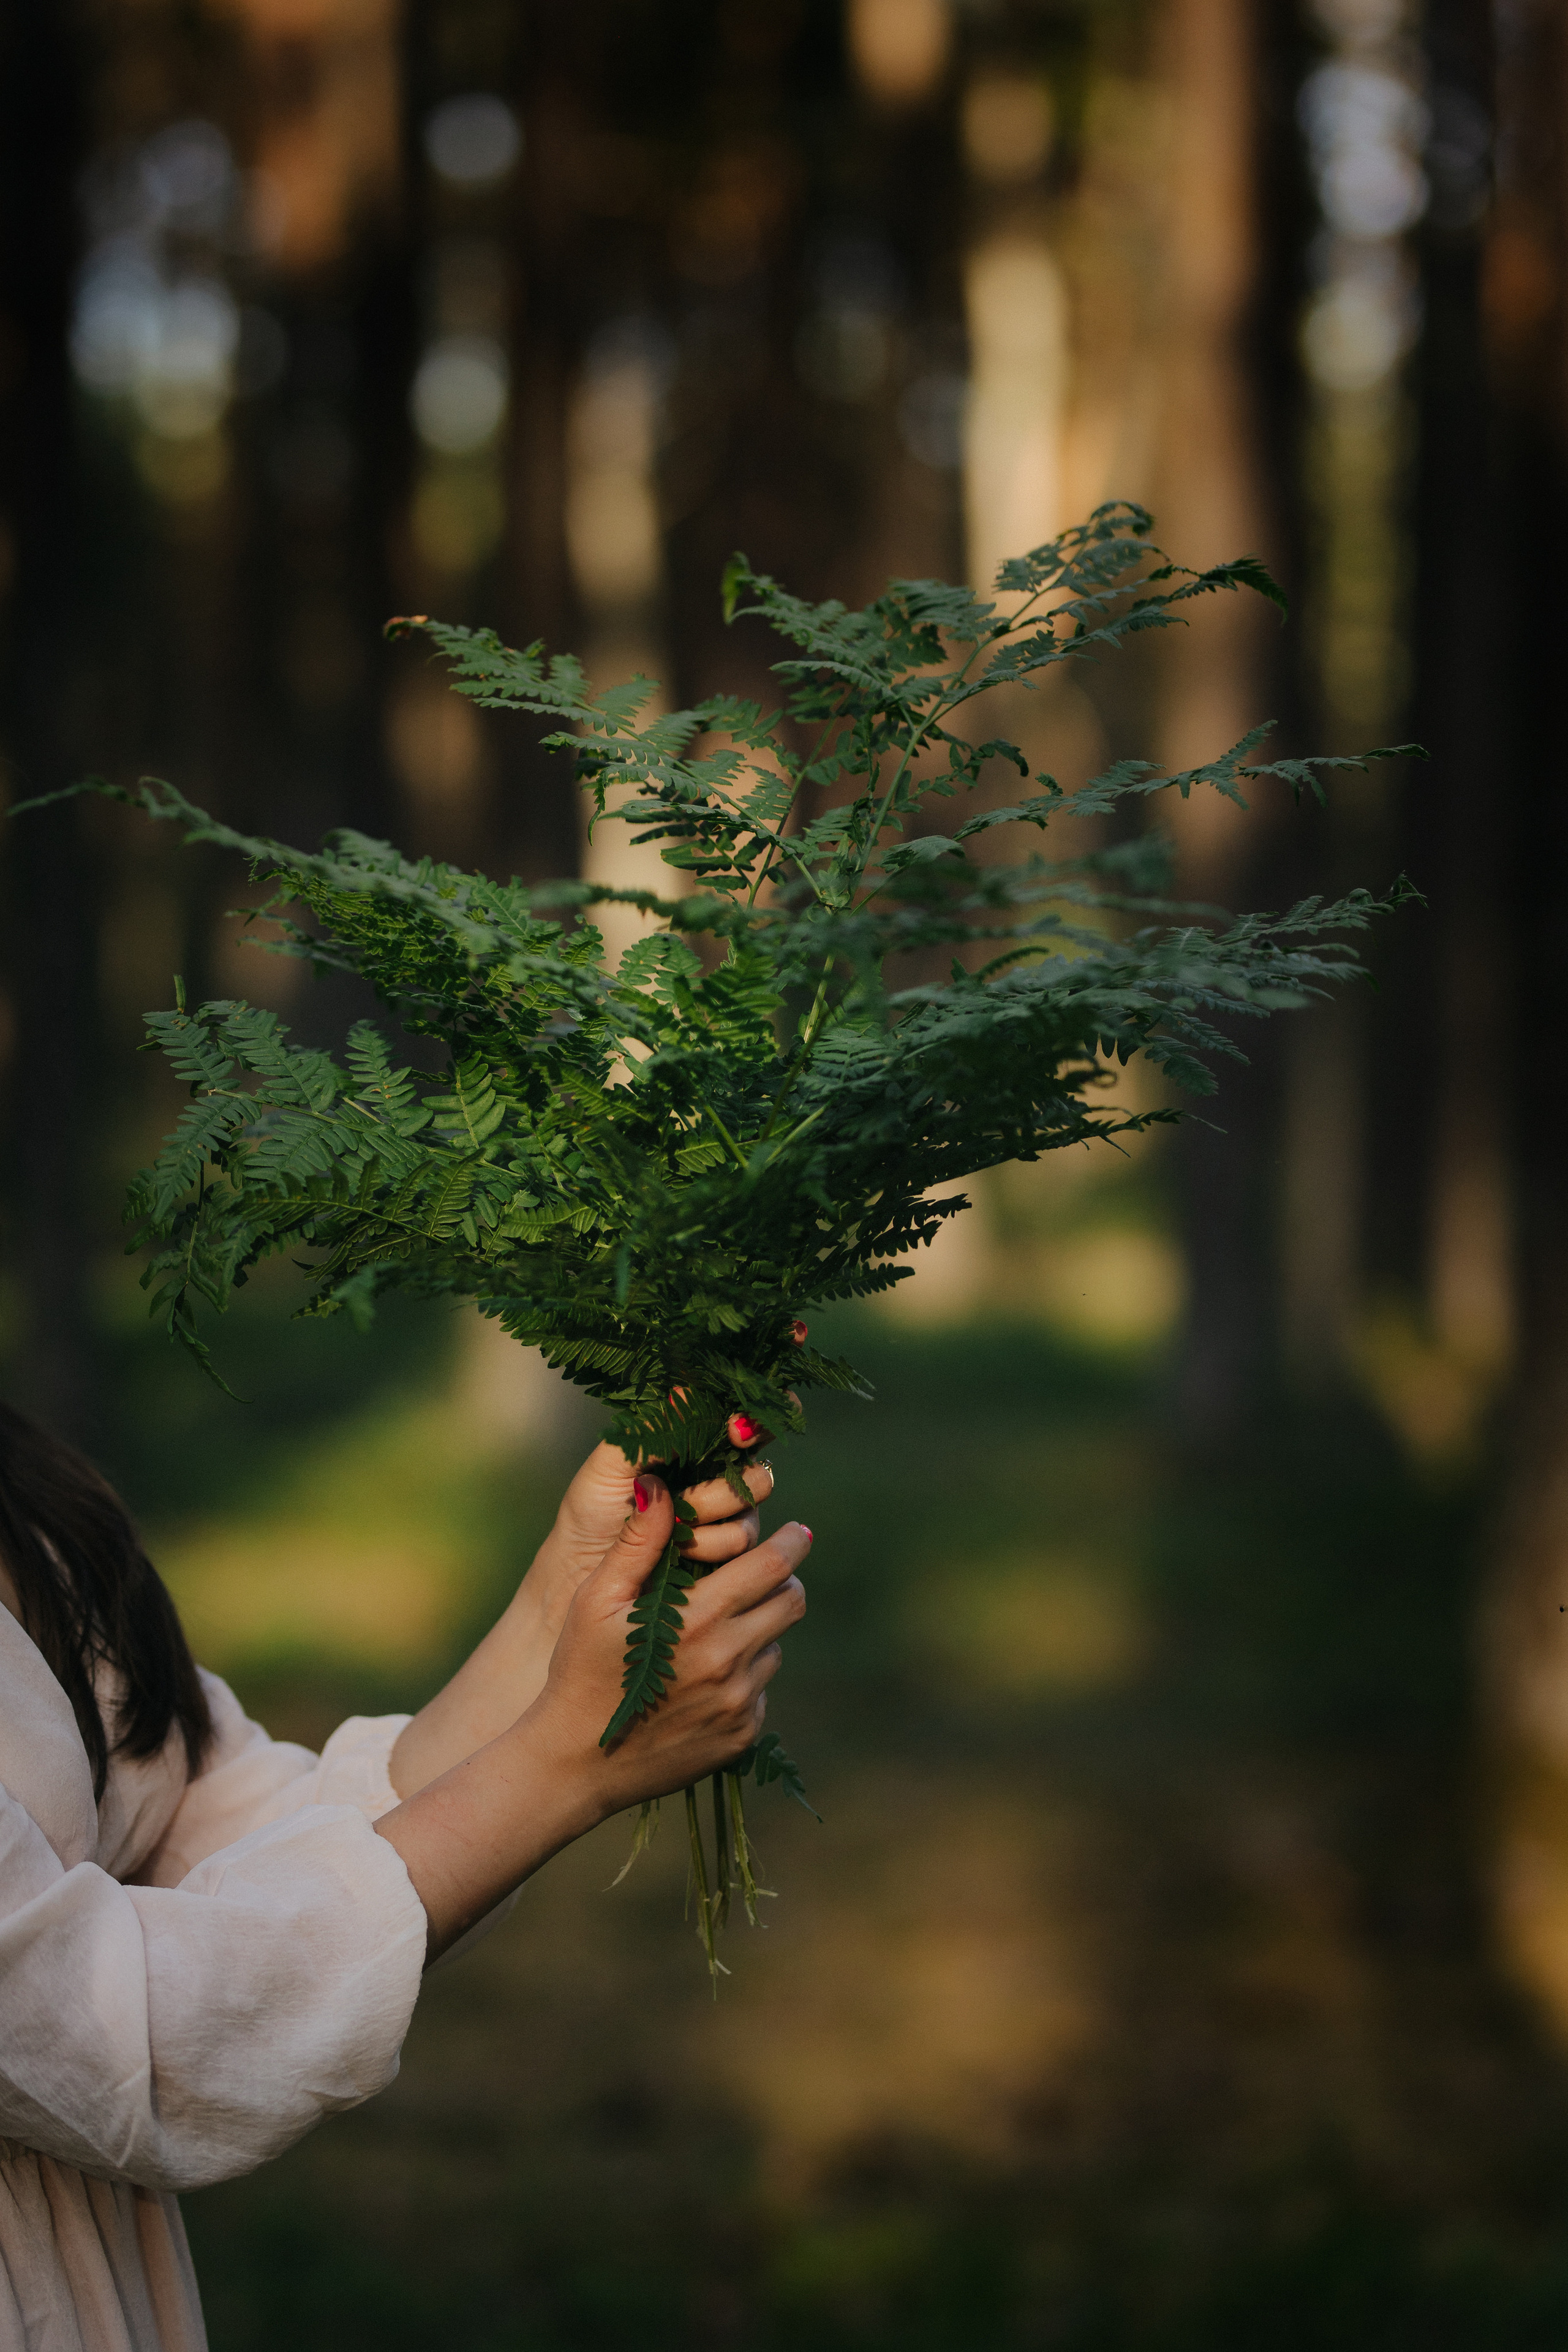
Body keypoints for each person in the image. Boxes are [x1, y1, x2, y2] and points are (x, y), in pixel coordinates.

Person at [0, 1398, 809, 2352]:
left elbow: (251, 1850)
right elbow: (119, 2029)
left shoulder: (25, 1491)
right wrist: (565, 1763)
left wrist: (561, 1605)